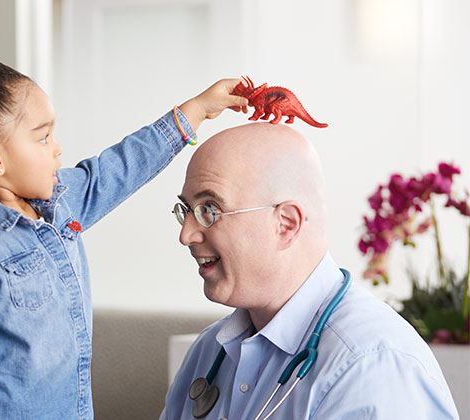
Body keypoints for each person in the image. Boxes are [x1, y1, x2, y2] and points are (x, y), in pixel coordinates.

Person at [0, 10, 249, 420]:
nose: (57, 148)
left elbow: (121, 167)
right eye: (43, 137)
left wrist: (197, 109)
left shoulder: (60, 201)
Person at [161, 122, 460, 419]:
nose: (186, 235)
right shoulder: (208, 352)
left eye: (209, 210)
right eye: (186, 210)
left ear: (286, 224)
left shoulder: (375, 366)